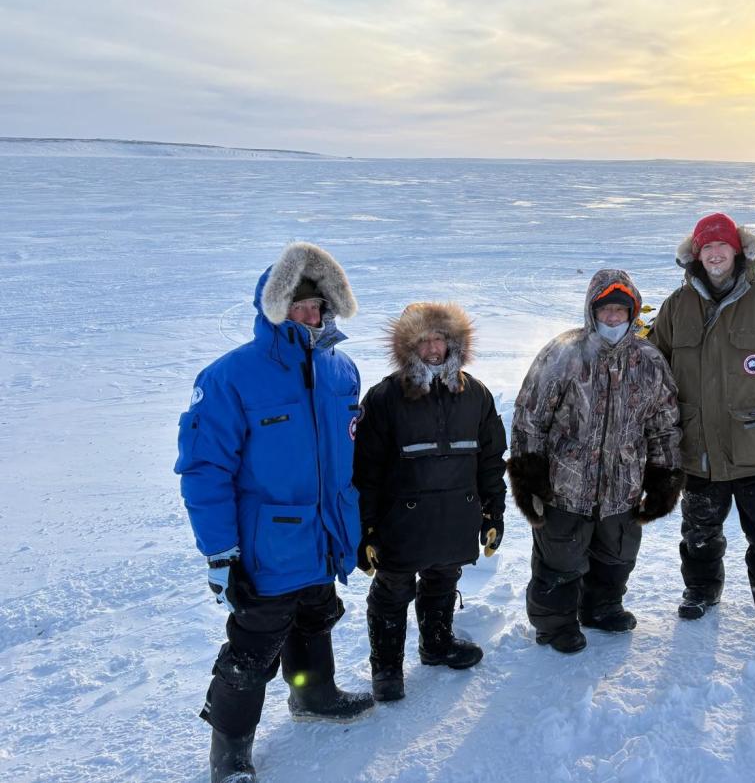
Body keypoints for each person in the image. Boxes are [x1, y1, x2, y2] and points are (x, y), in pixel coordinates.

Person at [175, 242, 374, 783]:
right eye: (298, 305)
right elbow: (203, 471)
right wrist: (220, 553)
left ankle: (313, 695)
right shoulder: (229, 377)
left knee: (316, 615)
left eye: (318, 306)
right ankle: (230, 752)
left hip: (324, 535)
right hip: (266, 545)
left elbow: (350, 458)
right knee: (254, 646)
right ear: (273, 307)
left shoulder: (342, 370)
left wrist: (358, 527)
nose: (310, 316)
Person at [647, 213, 755, 642]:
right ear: (697, 255)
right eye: (707, 247)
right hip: (697, 445)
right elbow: (654, 370)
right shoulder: (676, 306)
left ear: (737, 251)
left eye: (722, 246)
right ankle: (701, 590)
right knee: (699, 531)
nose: (715, 254)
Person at [508, 269, 684, 654]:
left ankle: (602, 607)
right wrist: (528, 475)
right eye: (606, 310)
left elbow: (665, 424)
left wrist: (664, 478)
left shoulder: (649, 360)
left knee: (617, 555)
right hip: (565, 484)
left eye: (621, 310)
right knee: (560, 558)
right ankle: (555, 626)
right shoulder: (563, 352)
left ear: (633, 312)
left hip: (623, 486)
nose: (613, 317)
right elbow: (530, 417)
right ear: (592, 311)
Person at [354, 302, 507, 702]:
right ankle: (386, 669)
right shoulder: (385, 398)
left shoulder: (476, 395)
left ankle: (436, 644)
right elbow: (365, 471)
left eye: (441, 339)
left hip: (456, 515)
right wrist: (364, 528)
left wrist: (494, 511)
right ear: (409, 346)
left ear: (454, 342)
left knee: (443, 578)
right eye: (424, 340)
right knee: (392, 591)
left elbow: (491, 459)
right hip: (399, 523)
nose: (434, 348)